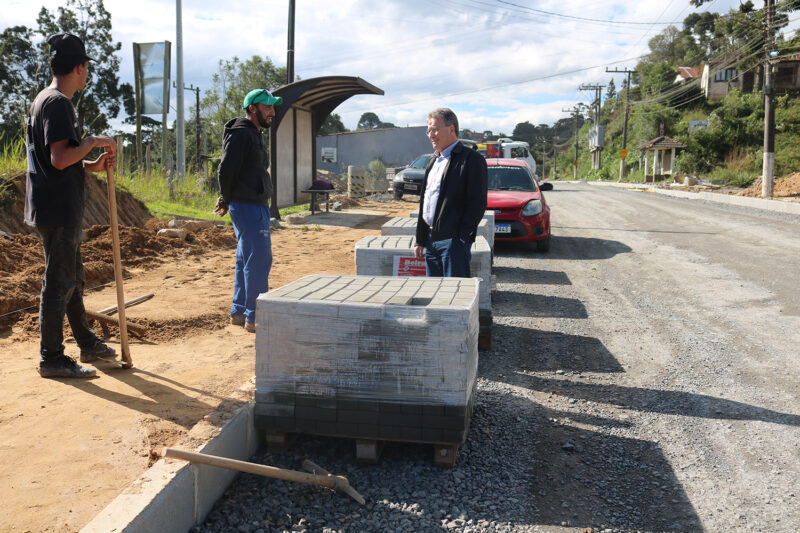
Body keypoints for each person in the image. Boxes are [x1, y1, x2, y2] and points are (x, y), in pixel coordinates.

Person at [25, 33, 119, 378]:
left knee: (72, 278)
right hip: (57, 208)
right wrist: (93, 141)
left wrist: (91, 165)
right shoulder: (58, 103)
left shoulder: (44, 100)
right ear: (80, 67)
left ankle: (87, 343)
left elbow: (59, 161)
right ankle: (51, 357)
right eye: (86, 68)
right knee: (60, 280)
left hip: (54, 204)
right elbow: (60, 157)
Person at [214, 88, 282, 332]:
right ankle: (255, 315)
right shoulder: (242, 133)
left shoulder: (253, 133)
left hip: (254, 204)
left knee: (246, 258)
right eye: (267, 107)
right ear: (253, 108)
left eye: (273, 107)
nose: (272, 111)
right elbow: (225, 168)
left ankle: (240, 311)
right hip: (247, 205)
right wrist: (225, 198)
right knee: (259, 258)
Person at [414, 108, 487, 277]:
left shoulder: (471, 159)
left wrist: (461, 238)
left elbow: (477, 202)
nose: (431, 135)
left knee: (454, 296)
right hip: (431, 241)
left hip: (453, 243)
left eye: (435, 129)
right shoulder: (433, 161)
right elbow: (425, 201)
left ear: (452, 129)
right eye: (428, 131)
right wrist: (420, 238)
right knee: (434, 296)